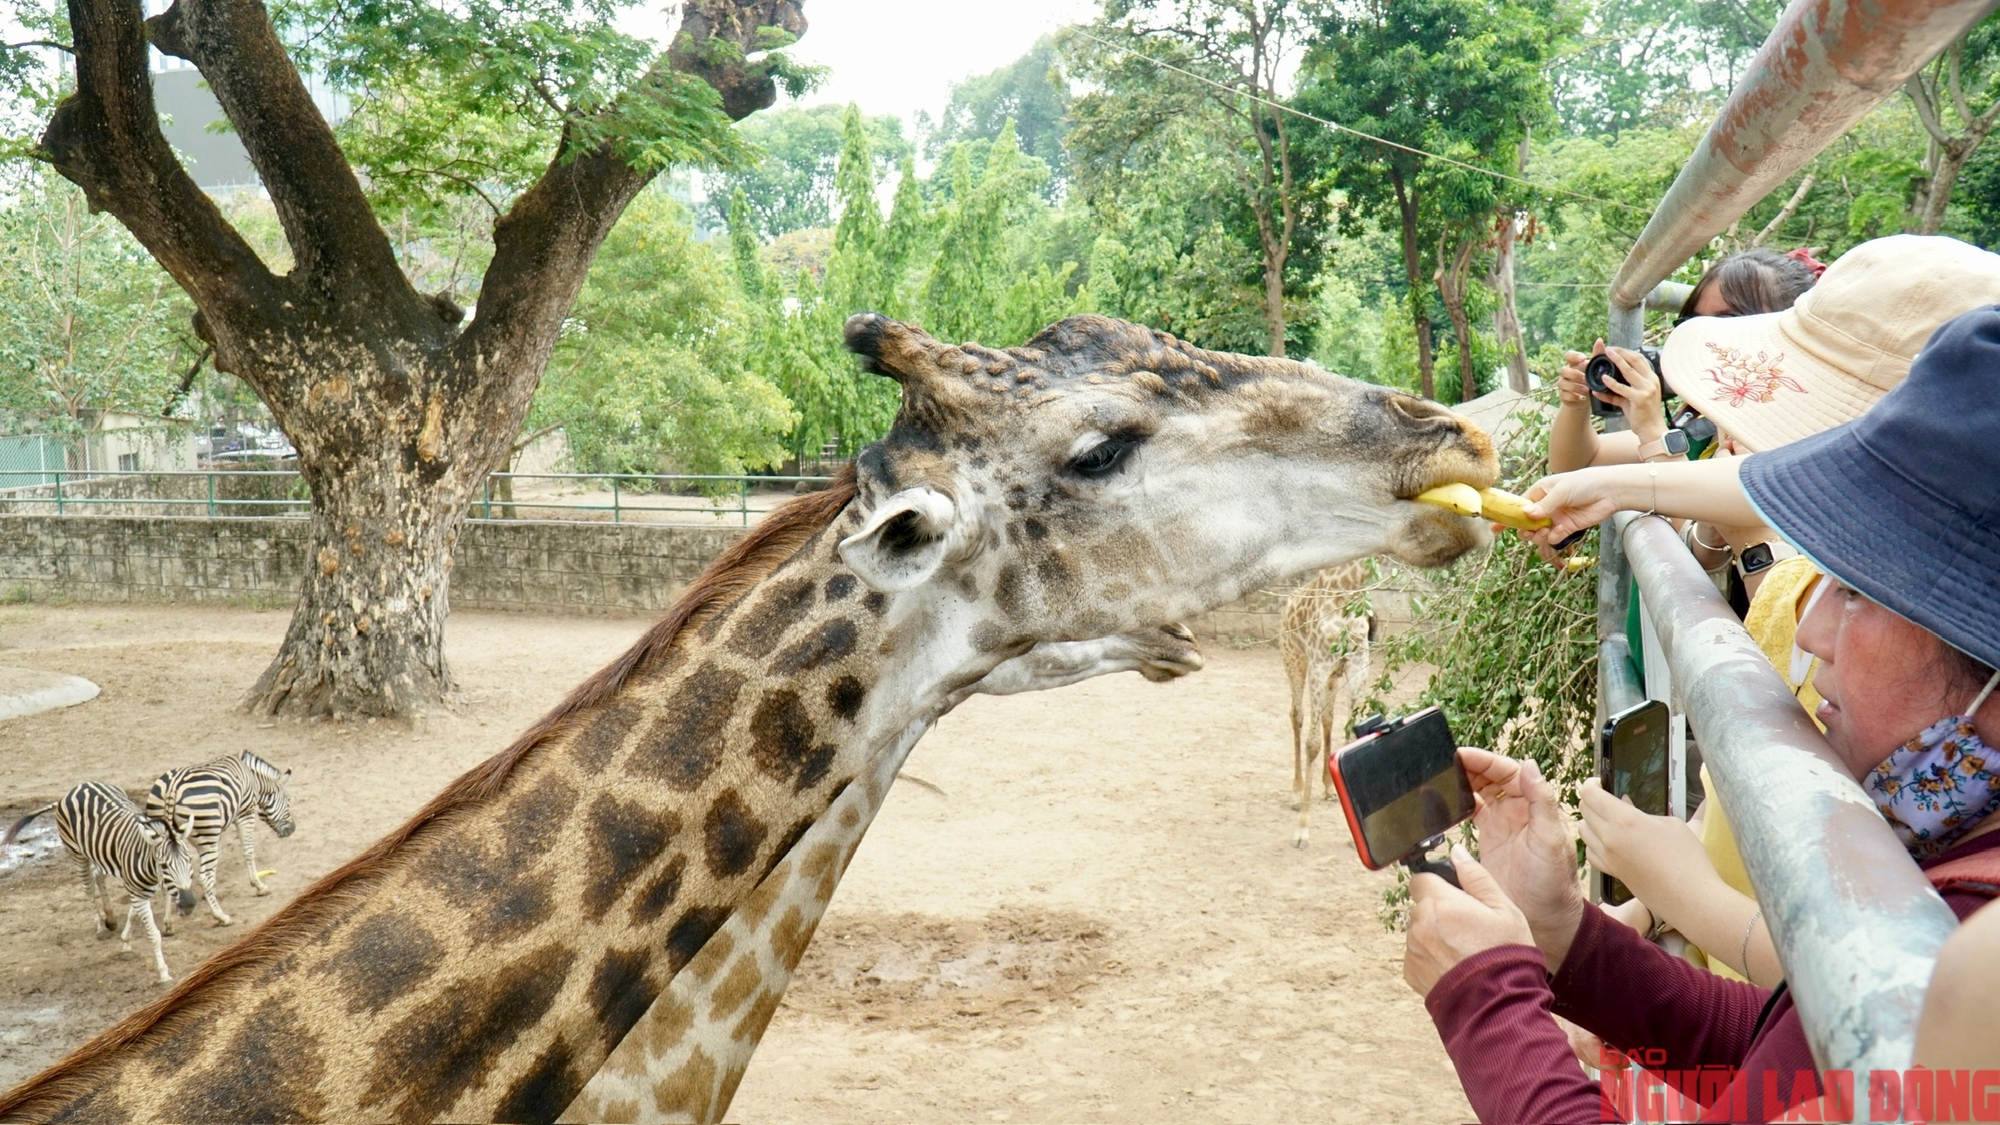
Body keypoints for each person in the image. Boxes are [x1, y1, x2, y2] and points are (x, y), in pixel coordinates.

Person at [1404, 303, 2000, 1123]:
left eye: (1863, 595)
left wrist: (1488, 1005)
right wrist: (1567, 937)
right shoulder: (1951, 864)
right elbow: (1778, 1061)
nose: (1813, 630)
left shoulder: (1980, 958)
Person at [1561, 236, 2000, 983]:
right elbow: (1732, 809)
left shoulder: (1971, 924)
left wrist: (1683, 898)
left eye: (1861, 591)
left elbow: (1874, 1011)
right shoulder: (1906, 723)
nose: (1817, 627)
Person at [1547, 247, 1818, 475]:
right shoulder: (1704, 422)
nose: (1700, 339)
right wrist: (1577, 402)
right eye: (1691, 324)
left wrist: (1654, 432)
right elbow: (1580, 462)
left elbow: (1712, 530)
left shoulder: (1794, 438)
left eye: (1725, 323)